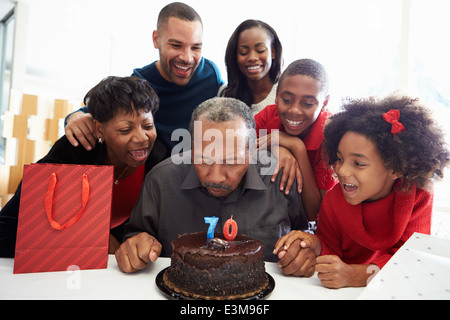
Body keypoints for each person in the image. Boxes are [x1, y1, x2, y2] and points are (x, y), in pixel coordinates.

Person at [114, 97, 315, 275]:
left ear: (252, 151)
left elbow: (301, 232)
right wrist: (135, 245)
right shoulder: (160, 180)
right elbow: (136, 236)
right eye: (204, 160)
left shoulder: (280, 177)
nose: (217, 177)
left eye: (232, 162)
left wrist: (302, 248)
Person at [274, 94, 450, 287]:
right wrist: (313, 247)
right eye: (340, 159)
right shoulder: (334, 199)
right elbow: (330, 248)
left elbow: (412, 258)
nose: (342, 170)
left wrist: (356, 275)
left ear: (396, 168)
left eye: (358, 163)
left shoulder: (418, 196)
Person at [0, 76, 162, 257]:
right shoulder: (74, 150)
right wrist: (96, 237)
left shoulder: (158, 158)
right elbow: (7, 228)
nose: (142, 138)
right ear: (99, 129)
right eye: (125, 130)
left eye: (148, 125)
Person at [64, 2, 224, 159]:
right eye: (176, 45)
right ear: (156, 39)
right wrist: (74, 117)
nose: (187, 58)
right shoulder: (141, 83)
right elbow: (97, 113)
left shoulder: (211, 75)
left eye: (196, 48)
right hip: (154, 178)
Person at [255, 59, 337, 221]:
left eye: (307, 103)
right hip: (269, 212)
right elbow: (239, 150)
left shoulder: (331, 135)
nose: (294, 110)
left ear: (324, 103)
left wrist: (296, 147)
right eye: (286, 100)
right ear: (277, 95)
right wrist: (277, 148)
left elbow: (314, 213)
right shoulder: (268, 116)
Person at [219, 19, 283, 115]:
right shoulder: (225, 94)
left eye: (260, 50)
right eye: (243, 52)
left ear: (273, 52)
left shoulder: (286, 93)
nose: (252, 58)